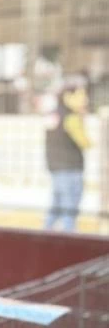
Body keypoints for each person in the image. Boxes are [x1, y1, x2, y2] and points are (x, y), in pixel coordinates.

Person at [43, 77, 90, 231]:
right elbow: (85, 142)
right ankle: (70, 238)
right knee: (69, 211)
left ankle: (43, 237)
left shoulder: (53, 114)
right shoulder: (71, 118)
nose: (85, 99)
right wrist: (82, 119)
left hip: (55, 167)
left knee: (55, 209)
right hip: (71, 168)